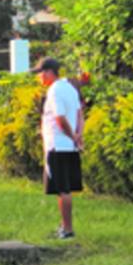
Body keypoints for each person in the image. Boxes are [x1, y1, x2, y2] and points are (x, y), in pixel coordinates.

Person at [32, 57, 84, 239]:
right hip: (68, 146)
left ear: (48, 72)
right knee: (63, 188)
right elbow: (79, 114)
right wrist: (79, 136)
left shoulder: (54, 91)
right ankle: (63, 225)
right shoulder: (70, 88)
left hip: (58, 145)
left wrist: (73, 136)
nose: (39, 78)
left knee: (63, 189)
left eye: (40, 73)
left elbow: (60, 119)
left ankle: (68, 229)